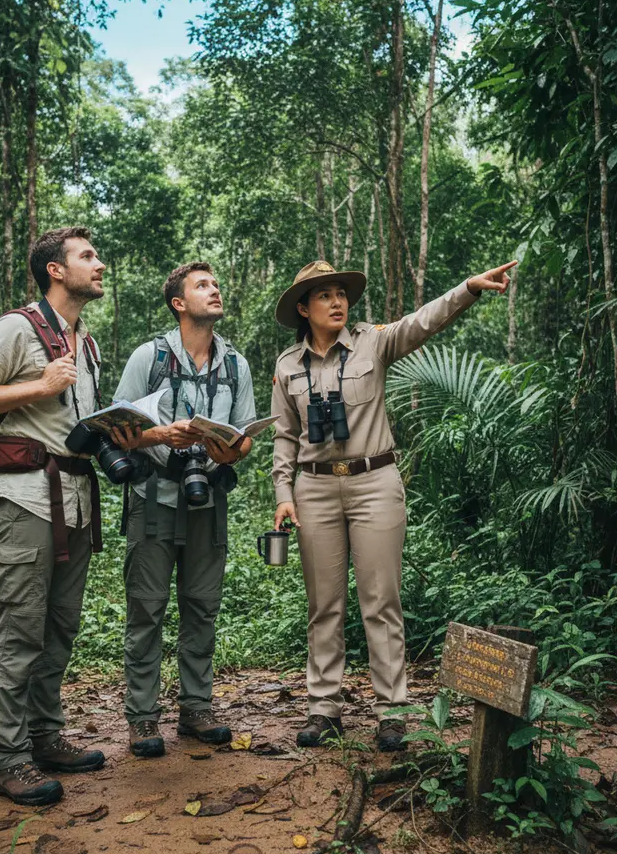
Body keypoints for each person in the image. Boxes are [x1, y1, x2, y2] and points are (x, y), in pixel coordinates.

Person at [270, 259, 516, 751]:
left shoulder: (371, 341)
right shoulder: (286, 366)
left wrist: (468, 288)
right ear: (303, 308)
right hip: (314, 490)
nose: (337, 301)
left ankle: (392, 711)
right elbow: (284, 437)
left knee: (381, 601)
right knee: (324, 605)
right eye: (324, 295)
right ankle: (324, 709)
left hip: (374, 482)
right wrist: (283, 494)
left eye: (341, 293)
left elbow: (423, 321)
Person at [0, 227, 108, 804]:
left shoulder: (84, 341)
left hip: (75, 498)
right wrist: (37, 385)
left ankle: (45, 736)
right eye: (87, 257)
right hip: (24, 499)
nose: (100, 264)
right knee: (19, 630)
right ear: (55, 271)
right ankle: (9, 759)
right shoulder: (17, 327)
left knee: (60, 626)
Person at [111, 262, 256, 758]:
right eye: (202, 286)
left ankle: (197, 708)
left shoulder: (236, 365)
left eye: (216, 283)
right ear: (178, 302)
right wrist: (160, 435)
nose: (214, 290)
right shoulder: (147, 357)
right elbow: (115, 427)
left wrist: (230, 451)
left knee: (202, 608)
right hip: (153, 499)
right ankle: (143, 717)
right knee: (146, 610)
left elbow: (243, 437)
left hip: (208, 499)